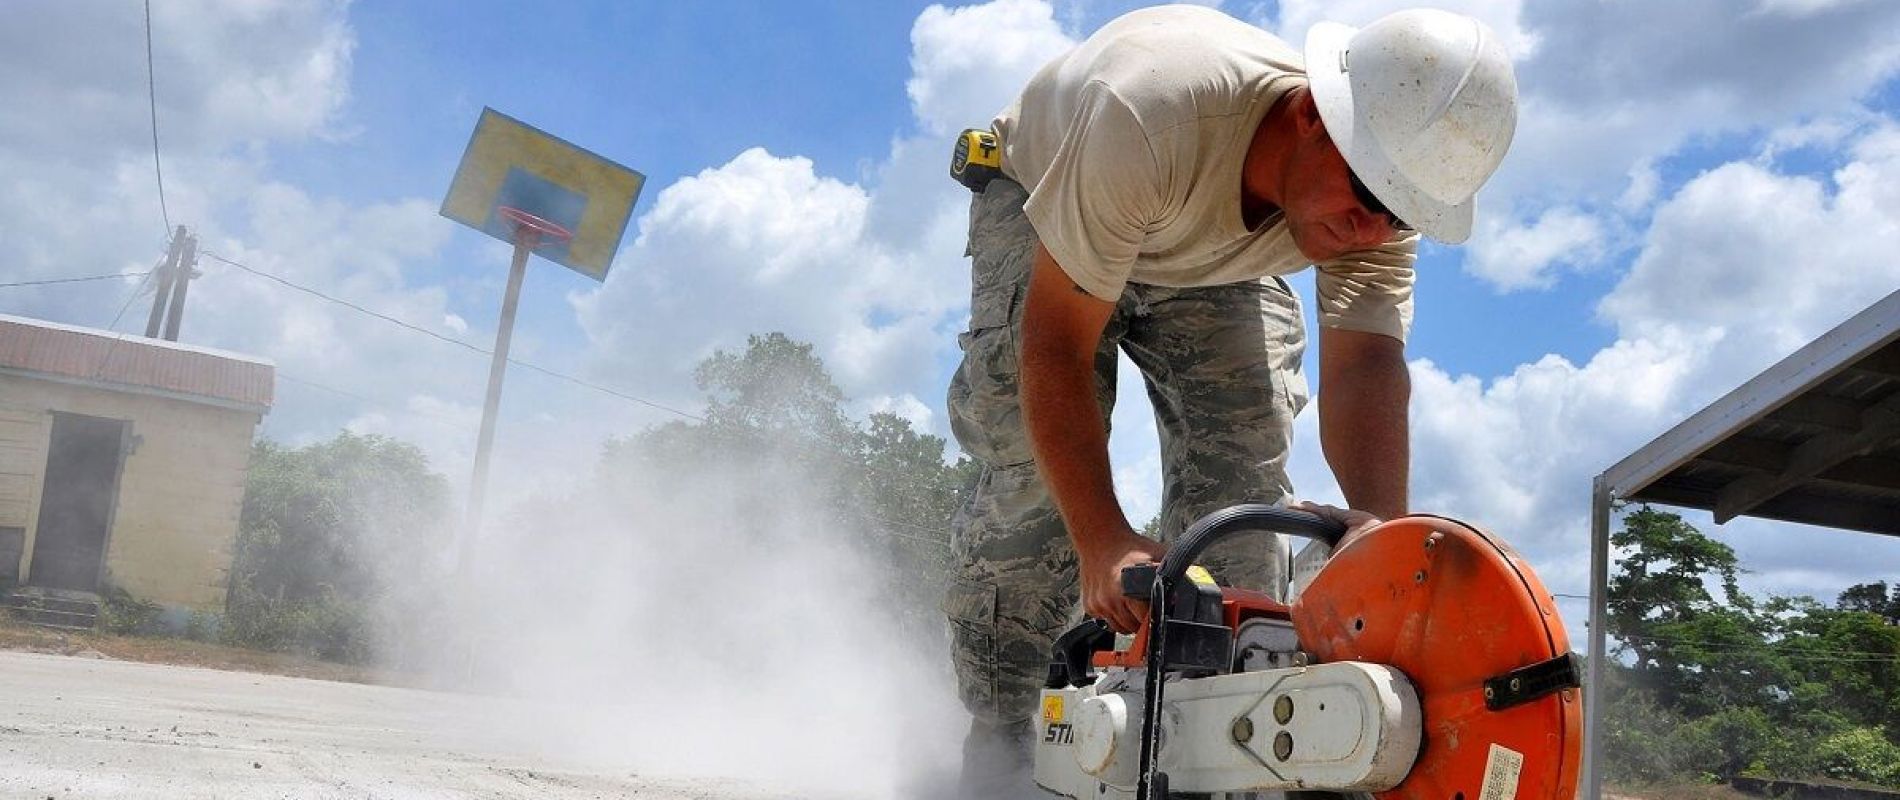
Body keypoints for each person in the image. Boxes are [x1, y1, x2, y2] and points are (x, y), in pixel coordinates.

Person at [941, 5, 1519, 796]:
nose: (1370, 230)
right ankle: (1002, 750)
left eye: (1398, 215)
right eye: (1364, 198)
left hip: (1206, 250)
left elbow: (1367, 363)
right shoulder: (1149, 111)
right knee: (1037, 480)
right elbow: (1057, 348)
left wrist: (1379, 535)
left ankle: (1206, 753)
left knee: (1244, 487)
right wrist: (1104, 539)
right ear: (1315, 115)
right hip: (1054, 193)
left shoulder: (1379, 197)